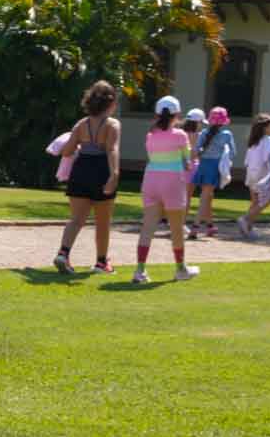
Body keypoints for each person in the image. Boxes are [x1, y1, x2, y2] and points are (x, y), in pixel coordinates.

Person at [52, 81, 123, 275]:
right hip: (101, 170)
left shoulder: (81, 124)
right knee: (103, 222)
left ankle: (63, 253)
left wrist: (73, 143)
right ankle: (101, 263)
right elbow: (112, 149)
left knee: (76, 219)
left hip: (81, 169)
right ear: (111, 103)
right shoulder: (112, 124)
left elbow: (67, 152)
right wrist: (114, 174)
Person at [135, 96, 198, 284]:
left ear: (156, 114)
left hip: (150, 181)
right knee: (177, 228)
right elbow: (187, 162)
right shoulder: (181, 135)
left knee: (147, 227)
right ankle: (181, 269)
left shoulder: (150, 135)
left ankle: (140, 271)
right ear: (177, 114)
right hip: (173, 182)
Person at [190, 105, 236, 238]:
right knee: (205, 197)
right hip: (214, 166)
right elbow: (233, 153)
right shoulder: (227, 134)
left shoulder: (203, 133)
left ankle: (210, 225)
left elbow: (195, 151)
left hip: (203, 165)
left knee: (208, 196)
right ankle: (195, 227)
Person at [236, 113, 270, 239]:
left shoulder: (253, 140)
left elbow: (247, 160)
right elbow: (267, 158)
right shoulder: (269, 140)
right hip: (262, 174)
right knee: (265, 201)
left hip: (251, 174)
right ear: (265, 128)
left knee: (255, 202)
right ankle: (245, 219)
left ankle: (248, 229)